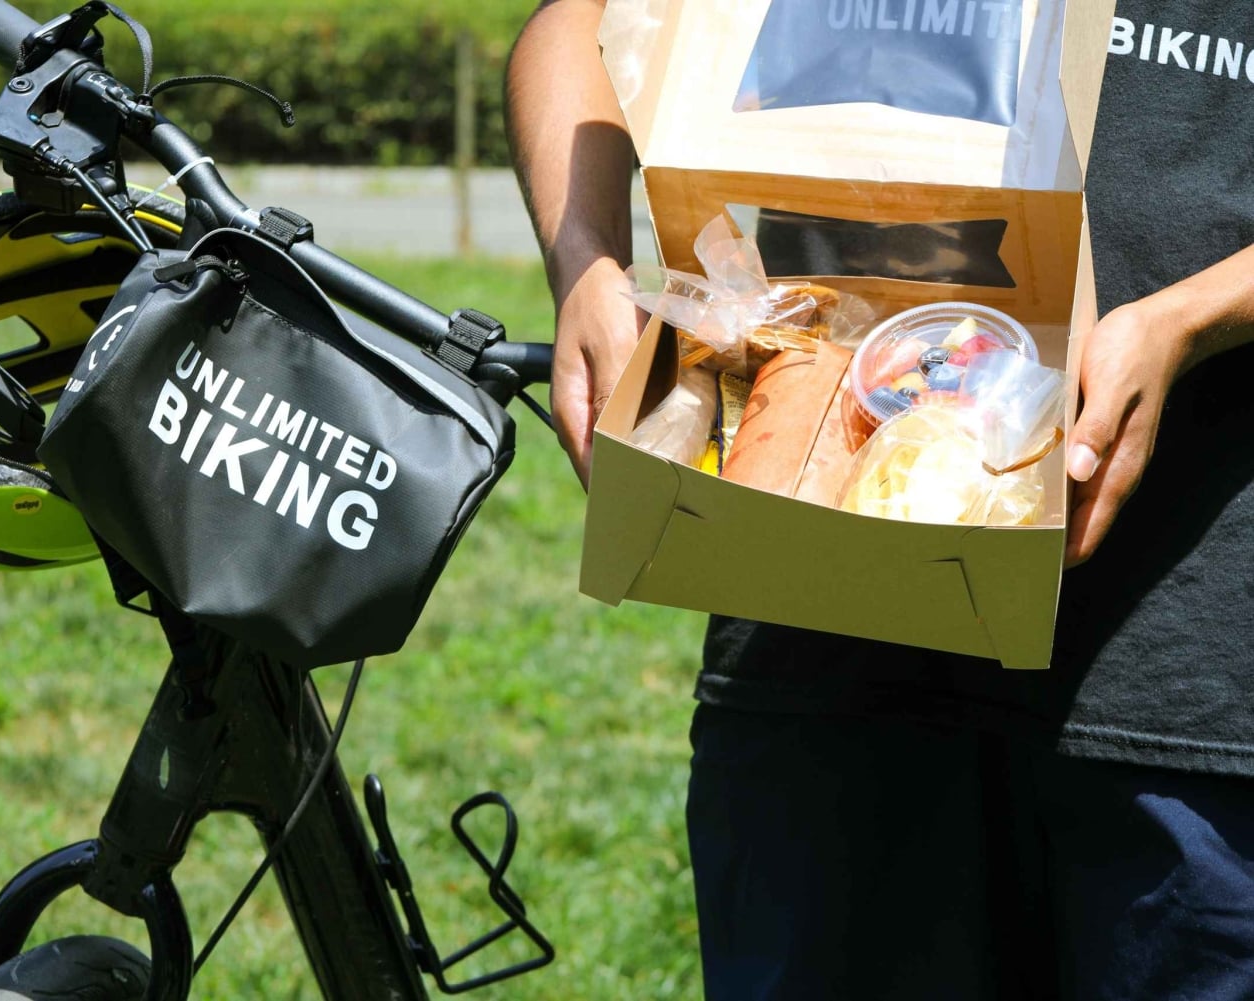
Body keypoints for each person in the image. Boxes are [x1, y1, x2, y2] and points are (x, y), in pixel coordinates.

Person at [506, 2, 1254, 998]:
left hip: (1184, 662)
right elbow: (583, 22)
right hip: (821, 642)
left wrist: (1185, 319)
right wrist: (586, 261)